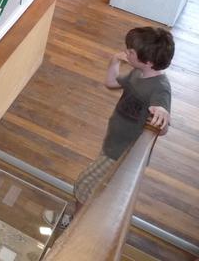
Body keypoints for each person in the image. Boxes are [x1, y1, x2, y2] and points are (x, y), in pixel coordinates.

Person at [61, 27, 172, 227]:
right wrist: (115, 61)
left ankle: (75, 225)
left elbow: (162, 127)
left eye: (131, 52)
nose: (126, 52)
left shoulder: (160, 89)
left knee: (83, 185)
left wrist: (163, 114)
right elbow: (111, 83)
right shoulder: (138, 73)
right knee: (98, 186)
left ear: (148, 61)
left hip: (122, 154)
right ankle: (82, 220)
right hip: (112, 144)